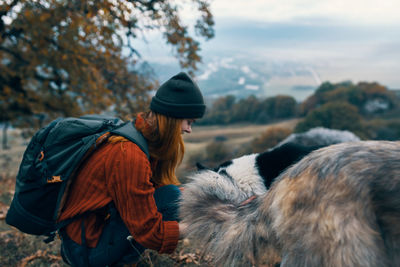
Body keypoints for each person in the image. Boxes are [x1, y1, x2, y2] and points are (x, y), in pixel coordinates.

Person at [58, 72, 206, 266]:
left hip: (90, 237)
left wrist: (207, 197)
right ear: (172, 118)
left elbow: (154, 191)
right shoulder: (129, 154)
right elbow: (149, 232)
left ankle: (122, 258)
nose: (189, 129)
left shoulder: (140, 137)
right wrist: (197, 225)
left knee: (173, 194)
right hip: (85, 250)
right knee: (172, 198)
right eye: (189, 122)